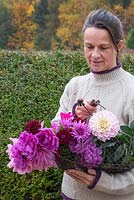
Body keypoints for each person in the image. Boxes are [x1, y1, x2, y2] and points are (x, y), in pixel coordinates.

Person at [52, 9, 134, 200]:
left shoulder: (131, 89)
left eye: (103, 47)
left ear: (119, 46)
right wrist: (74, 118)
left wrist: (101, 181)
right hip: (71, 194)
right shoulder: (75, 85)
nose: (94, 54)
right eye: (89, 47)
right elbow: (55, 134)